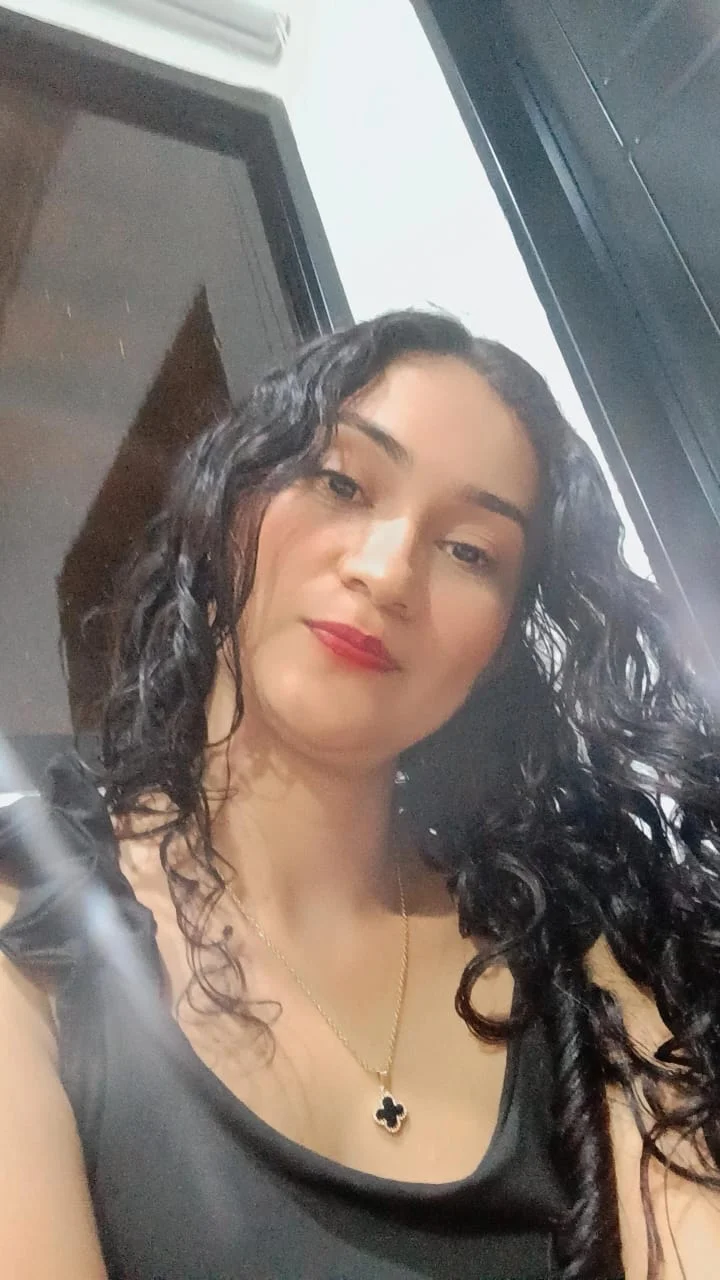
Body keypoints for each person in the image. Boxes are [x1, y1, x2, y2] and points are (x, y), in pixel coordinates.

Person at [1, 310, 719, 1280]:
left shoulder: (578, 952)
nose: (386, 573)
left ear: (498, 647)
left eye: (470, 550)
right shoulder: (28, 926)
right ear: (231, 502)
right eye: (341, 482)